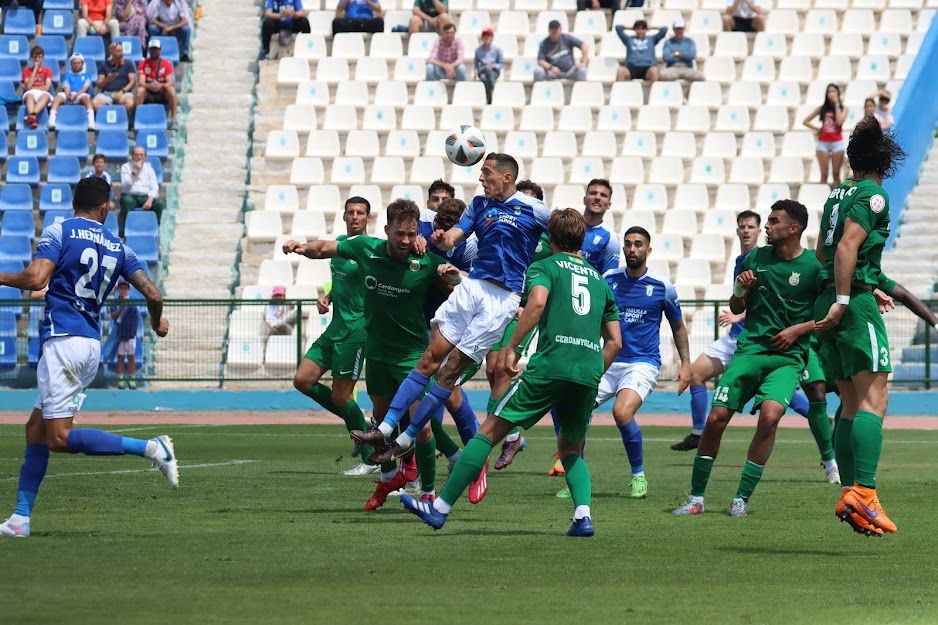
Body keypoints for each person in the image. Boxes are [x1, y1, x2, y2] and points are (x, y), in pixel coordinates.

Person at [401, 208, 622, 536]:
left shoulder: (544, 267)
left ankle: (440, 508)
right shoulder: (600, 282)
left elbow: (535, 304)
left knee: (488, 431)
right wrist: (592, 373)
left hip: (551, 366)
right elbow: (615, 342)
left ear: (551, 237)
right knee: (571, 448)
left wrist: (512, 348)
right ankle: (582, 516)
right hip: (587, 372)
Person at [0, 176, 174, 539]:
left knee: (58, 438)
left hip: (63, 342)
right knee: (36, 430)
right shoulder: (119, 246)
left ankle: (152, 448)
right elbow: (154, 294)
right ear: (106, 207)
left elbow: (36, 279)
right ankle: (20, 518)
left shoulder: (60, 230)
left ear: (74, 203)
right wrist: (157, 324)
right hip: (88, 345)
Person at [351, 154, 549, 464]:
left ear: (507, 178)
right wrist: (441, 239)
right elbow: (453, 239)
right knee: (430, 359)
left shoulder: (535, 211)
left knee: (449, 372)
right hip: (474, 287)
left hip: (502, 298)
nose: (480, 178)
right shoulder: (478, 205)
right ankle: (387, 428)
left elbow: (565, 239)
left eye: (486, 173)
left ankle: (407, 437)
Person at [283, 199, 462, 510]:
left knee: (422, 426)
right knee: (380, 421)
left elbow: (460, 290)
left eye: (410, 233)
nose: (406, 240)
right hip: (377, 354)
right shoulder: (366, 249)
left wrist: (455, 278)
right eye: (400, 234)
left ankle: (430, 493)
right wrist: (301, 248)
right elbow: (325, 248)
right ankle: (388, 479)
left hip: (412, 356)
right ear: (386, 230)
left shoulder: (426, 262)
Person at [673, 200, 821, 519]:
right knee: (716, 420)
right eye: (766, 221)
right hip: (750, 350)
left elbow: (830, 315)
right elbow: (737, 304)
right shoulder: (755, 258)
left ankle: (741, 497)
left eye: (773, 221)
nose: (766, 226)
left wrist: (798, 330)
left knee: (769, 417)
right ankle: (696, 498)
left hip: (787, 358)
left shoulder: (813, 267)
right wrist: (740, 290)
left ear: (793, 228)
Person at [814, 116, 906, 537]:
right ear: (883, 164)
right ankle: (865, 495)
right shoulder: (874, 195)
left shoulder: (837, 195)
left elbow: (823, 251)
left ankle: (851, 491)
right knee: (875, 400)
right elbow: (849, 246)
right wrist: (848, 297)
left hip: (833, 294)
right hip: (849, 305)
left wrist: (855, 284)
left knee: (850, 404)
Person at [600, 226, 691, 499]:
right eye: (628, 244)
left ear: (648, 250)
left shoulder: (663, 287)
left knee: (622, 412)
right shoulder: (608, 279)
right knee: (574, 411)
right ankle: (573, 478)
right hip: (608, 360)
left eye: (638, 244)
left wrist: (686, 364)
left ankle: (638, 475)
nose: (632, 249)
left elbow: (678, 327)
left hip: (642, 362)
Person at [290, 197, 372, 476]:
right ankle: (360, 422)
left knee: (341, 396)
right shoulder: (339, 244)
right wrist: (328, 297)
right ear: (345, 217)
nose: (355, 217)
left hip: (355, 331)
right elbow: (342, 283)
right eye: (351, 212)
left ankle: (370, 458)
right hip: (335, 328)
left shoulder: (367, 250)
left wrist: (301, 248)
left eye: (360, 213)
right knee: (302, 380)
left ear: (368, 219)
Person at [671, 210, 761, 451]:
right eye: (742, 226)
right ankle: (698, 432)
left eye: (751, 227)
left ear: (759, 231)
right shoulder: (739, 261)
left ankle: (818, 418)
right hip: (734, 338)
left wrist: (739, 315)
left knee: (772, 391)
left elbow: (765, 301)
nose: (746, 230)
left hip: (753, 339)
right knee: (696, 375)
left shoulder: (761, 260)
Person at [803, 84, 847, 187]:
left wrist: (836, 104)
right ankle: (822, 197)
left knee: (836, 174)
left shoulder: (843, 108)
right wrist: (818, 129)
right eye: (829, 91)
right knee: (824, 174)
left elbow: (840, 122)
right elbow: (805, 121)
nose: (831, 93)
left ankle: (838, 198)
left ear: (838, 93)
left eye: (833, 91)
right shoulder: (822, 108)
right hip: (823, 142)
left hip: (837, 142)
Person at [119, 146, 164, 236]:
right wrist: (134, 171)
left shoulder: (149, 169)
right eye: (136, 155)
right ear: (132, 156)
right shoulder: (125, 167)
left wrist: (150, 200)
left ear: (145, 156)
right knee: (126, 201)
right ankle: (127, 229)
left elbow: (154, 187)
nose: (139, 157)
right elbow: (125, 185)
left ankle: (155, 228)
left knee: (159, 203)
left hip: (145, 196)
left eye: (141, 155)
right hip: (130, 195)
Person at [135, 38, 177, 126]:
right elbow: (141, 82)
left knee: (171, 90)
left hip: (162, 92)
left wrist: (161, 85)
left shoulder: (166, 64)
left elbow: (170, 82)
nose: (154, 51)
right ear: (149, 50)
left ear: (160, 50)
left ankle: (174, 119)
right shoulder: (143, 63)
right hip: (149, 92)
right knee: (140, 91)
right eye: (152, 49)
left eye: (156, 49)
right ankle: (137, 118)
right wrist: (149, 86)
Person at [50, 53, 96, 131]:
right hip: (69, 94)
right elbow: (66, 86)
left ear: (82, 64)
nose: (76, 65)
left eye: (78, 63)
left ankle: (91, 122)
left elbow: (85, 88)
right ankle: (51, 121)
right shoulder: (67, 75)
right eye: (74, 63)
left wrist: (76, 95)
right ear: (71, 64)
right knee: (57, 98)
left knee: (87, 98)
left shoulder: (87, 75)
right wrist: (68, 94)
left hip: (80, 94)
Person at [110, 280, 140, 389]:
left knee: (131, 357)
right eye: (121, 288)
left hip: (130, 334)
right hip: (120, 334)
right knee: (120, 357)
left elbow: (135, 318)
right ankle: (121, 379)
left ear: (128, 290)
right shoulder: (115, 302)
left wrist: (132, 332)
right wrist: (121, 308)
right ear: (118, 289)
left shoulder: (132, 303)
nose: (123, 290)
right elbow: (113, 316)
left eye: (125, 288)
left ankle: (132, 379)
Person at [93, 42, 137, 115]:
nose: (121, 53)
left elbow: (132, 82)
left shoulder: (128, 63)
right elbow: (99, 85)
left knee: (130, 103)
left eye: (121, 50)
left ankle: (120, 119)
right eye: (118, 51)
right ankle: (106, 121)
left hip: (123, 93)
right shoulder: (104, 65)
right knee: (95, 103)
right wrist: (108, 79)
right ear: (111, 52)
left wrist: (122, 91)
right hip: (107, 94)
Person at [659, 18, 704, 82]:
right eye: (677, 28)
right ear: (674, 29)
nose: (679, 30)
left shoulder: (690, 42)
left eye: (681, 28)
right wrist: (684, 55)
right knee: (661, 75)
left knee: (701, 76)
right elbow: (666, 57)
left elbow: (692, 56)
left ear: (684, 29)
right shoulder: (668, 42)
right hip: (672, 68)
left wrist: (677, 54)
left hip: (686, 68)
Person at [20, 46, 52, 130]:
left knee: (45, 97)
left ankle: (32, 116)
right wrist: (35, 70)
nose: (37, 59)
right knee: (29, 96)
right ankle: (33, 117)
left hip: (43, 93)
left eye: (39, 57)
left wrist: (34, 88)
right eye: (35, 57)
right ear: (32, 58)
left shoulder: (47, 71)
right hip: (30, 93)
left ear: (43, 57)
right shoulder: (26, 71)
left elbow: (47, 87)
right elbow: (28, 86)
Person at [474, 27, 503, 105]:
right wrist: (476, 71)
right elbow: (476, 64)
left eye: (488, 35)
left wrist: (493, 65)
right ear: (482, 38)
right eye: (485, 36)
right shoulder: (478, 50)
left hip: (494, 71)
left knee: (484, 78)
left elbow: (501, 64)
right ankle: (492, 86)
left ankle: (489, 100)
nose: (486, 38)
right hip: (482, 70)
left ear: (492, 37)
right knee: (486, 69)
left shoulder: (498, 49)